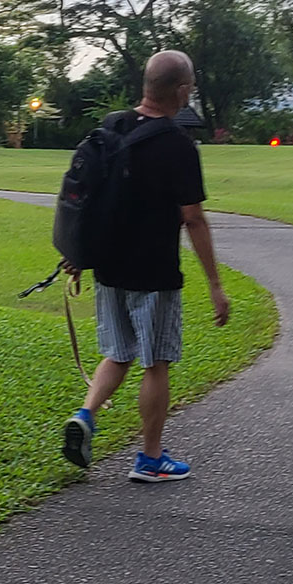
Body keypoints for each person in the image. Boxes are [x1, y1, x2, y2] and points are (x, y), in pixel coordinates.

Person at [61, 50, 230, 483]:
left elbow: (89, 200)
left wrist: (79, 255)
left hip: (109, 270)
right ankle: (151, 459)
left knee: (117, 353)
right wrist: (215, 285)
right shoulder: (177, 145)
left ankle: (86, 414)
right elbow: (193, 217)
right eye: (189, 85)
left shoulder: (111, 128)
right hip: (153, 273)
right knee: (155, 363)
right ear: (181, 90)